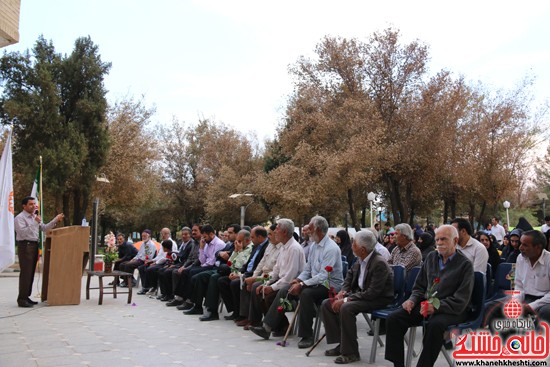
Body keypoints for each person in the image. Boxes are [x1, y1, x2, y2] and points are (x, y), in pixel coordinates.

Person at [385, 225, 474, 367]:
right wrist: (412, 300)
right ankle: (398, 364)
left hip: (453, 309)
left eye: (443, 239)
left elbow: (461, 300)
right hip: (427, 304)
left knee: (435, 325)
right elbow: (419, 286)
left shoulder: (465, 265)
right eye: (437, 239)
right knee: (394, 318)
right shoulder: (432, 257)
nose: (439, 243)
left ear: (455, 240)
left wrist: (436, 307)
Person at [321, 230, 394, 364]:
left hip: (378, 299)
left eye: (353, 243)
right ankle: (342, 344)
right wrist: (342, 292)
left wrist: (346, 299)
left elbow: (373, 293)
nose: (351, 245)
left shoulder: (379, 263)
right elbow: (349, 278)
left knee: (346, 307)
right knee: (327, 303)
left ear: (362, 249)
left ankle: (351, 352)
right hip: (362, 295)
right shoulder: (360, 259)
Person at [272, 215, 344, 348]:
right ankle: (272, 325)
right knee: (287, 288)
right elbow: (308, 269)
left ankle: (307, 335)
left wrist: (302, 284)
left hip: (329, 284)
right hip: (316, 283)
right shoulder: (314, 246)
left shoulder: (331, 248)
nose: (307, 231)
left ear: (318, 230)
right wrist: (298, 280)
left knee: (306, 293)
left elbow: (323, 276)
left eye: (310, 228)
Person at [248, 218, 305, 340]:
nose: (274, 233)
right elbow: (276, 271)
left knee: (273, 293)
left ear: (284, 232)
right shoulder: (283, 247)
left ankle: (267, 328)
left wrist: (272, 287)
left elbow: (290, 277)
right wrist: (267, 284)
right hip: (282, 281)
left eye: (277, 230)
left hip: (293, 284)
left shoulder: (294, 248)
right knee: (260, 290)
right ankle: (281, 326)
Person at [484, 230, 550, 327]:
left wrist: (530, 306)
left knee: (546, 312)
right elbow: (519, 286)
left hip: (545, 301)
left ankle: (540, 340)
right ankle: (502, 340)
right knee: (491, 307)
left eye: (525, 245)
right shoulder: (521, 258)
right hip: (525, 297)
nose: (520, 248)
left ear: (538, 247)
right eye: (520, 243)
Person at [14, 196, 64, 307]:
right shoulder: (20, 218)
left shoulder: (34, 217)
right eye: (31, 204)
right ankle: (21, 299)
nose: (34, 206)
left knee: (31, 273)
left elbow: (45, 228)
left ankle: (27, 296)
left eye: (34, 204)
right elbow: (22, 233)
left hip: (34, 245)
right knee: (26, 273)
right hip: (25, 246)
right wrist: (34, 223)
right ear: (24, 206)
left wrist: (55, 219)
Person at [217, 226, 269, 322]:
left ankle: (242, 314)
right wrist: (235, 252)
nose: (237, 243)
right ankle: (234, 310)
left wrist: (240, 252)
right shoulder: (253, 247)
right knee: (221, 281)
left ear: (247, 240)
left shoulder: (250, 248)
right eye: (237, 241)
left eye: (240, 241)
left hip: (250, 274)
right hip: (242, 272)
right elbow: (230, 264)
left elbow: (240, 264)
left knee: (235, 283)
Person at [237, 224, 282, 329]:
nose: (269, 236)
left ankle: (255, 321)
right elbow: (261, 264)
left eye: (271, 234)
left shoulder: (282, 248)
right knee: (249, 283)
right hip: (264, 275)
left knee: (255, 286)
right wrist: (254, 277)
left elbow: (276, 272)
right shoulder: (270, 246)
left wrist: (256, 279)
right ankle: (246, 316)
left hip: (274, 278)